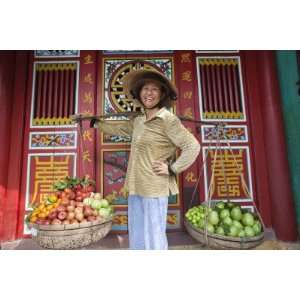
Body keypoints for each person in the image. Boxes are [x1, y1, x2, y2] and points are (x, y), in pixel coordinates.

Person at [94, 69, 200, 250]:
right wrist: (96, 123)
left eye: (154, 89)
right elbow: (120, 129)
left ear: (162, 94)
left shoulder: (168, 119)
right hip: (136, 185)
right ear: (139, 92)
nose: (149, 93)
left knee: (154, 234)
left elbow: (193, 146)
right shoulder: (139, 120)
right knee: (137, 232)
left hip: (154, 187)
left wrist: (172, 168)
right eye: (145, 89)